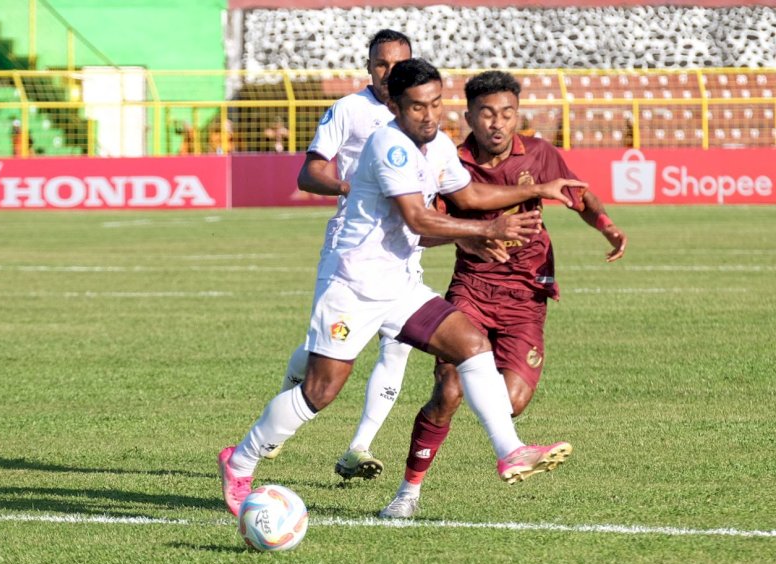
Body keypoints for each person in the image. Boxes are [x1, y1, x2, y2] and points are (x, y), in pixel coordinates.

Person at [218, 58, 586, 518]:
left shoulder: (439, 146)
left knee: (469, 344)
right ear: (394, 105)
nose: (430, 116)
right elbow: (419, 218)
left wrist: (541, 189)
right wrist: (485, 232)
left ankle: (509, 450)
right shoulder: (389, 145)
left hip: (399, 283)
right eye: (417, 107)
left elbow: (469, 195)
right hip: (353, 285)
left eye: (436, 104)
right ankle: (241, 460)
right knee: (320, 391)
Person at [379, 70, 627, 518]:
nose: (498, 123)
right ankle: (407, 493)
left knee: (511, 402)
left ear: (517, 115)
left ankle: (506, 445)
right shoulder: (448, 161)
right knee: (449, 390)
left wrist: (608, 228)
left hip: (527, 294)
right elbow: (423, 228)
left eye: (507, 113)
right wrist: (466, 237)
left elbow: (578, 195)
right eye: (488, 113)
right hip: (472, 288)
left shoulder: (540, 153)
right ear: (470, 115)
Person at [266, 29, 415, 480]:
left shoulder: (420, 115)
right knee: (324, 352)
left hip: (403, 247)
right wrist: (353, 187)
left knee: (398, 345)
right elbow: (309, 174)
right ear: (369, 67)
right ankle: (277, 423)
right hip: (352, 247)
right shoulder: (349, 110)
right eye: (381, 64)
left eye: (398, 64)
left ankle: (359, 446)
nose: (389, 73)